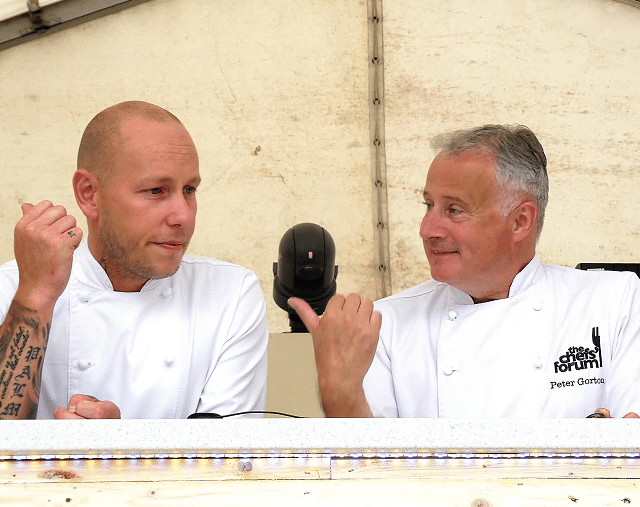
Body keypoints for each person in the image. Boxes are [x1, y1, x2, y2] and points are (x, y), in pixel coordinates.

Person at [290, 124, 640, 419]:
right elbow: (369, 480)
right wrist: (340, 392)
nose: (428, 229)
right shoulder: (385, 324)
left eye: (454, 210)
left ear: (520, 221)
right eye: (429, 205)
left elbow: (631, 446)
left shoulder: (613, 301)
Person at [0, 101, 268, 420]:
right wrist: (37, 297)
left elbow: (230, 459)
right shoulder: (13, 288)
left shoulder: (230, 294)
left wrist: (123, 448)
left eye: (189, 190)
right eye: (156, 190)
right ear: (89, 194)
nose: (183, 216)